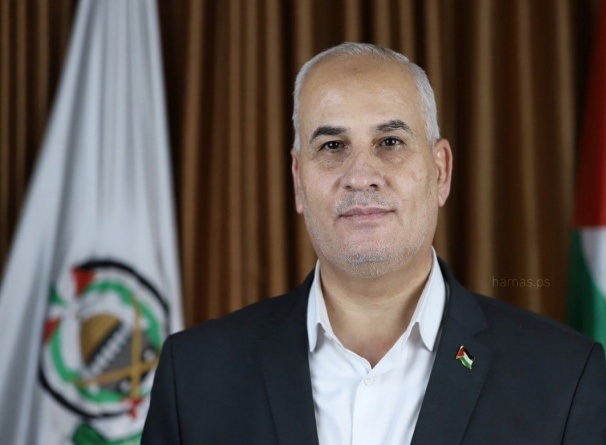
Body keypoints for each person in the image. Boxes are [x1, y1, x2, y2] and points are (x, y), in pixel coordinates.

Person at [142, 43, 606, 445]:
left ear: (441, 171)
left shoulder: (563, 377)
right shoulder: (195, 376)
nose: (361, 176)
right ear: (298, 181)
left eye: (390, 141)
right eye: (332, 146)